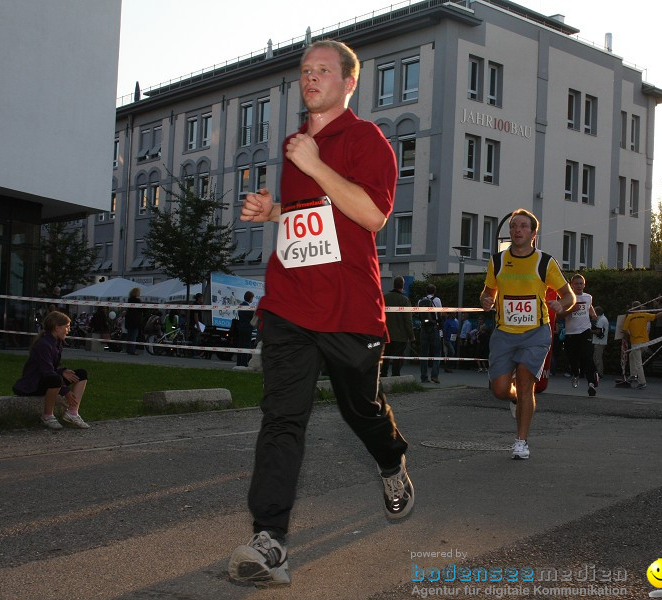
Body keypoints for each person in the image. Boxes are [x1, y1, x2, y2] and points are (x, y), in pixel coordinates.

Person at [227, 40, 412, 587]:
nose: (311, 78)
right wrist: (274, 211)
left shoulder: (366, 139)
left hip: (351, 308)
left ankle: (391, 460)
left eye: (323, 71)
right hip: (289, 301)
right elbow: (314, 215)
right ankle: (269, 540)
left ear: (349, 83)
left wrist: (312, 163)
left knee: (362, 408)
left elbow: (372, 214)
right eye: (305, 71)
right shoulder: (296, 142)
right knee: (282, 417)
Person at [480, 209, 575, 460]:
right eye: (513, 226)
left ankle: (521, 441)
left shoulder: (545, 262)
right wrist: (486, 300)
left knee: (525, 382)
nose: (516, 230)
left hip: (536, 333)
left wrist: (561, 305)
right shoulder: (497, 261)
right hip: (504, 334)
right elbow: (488, 292)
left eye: (523, 226)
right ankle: (514, 400)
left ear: (534, 233)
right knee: (500, 389)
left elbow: (569, 295)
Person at [12, 311, 90, 430]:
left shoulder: (56, 343)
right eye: (67, 327)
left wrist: (62, 370)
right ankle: (47, 415)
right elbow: (47, 371)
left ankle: (72, 413)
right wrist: (66, 392)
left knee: (81, 374)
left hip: (45, 379)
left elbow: (53, 367)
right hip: (33, 384)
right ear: (57, 327)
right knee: (55, 379)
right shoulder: (44, 344)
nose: (68, 330)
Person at [558, 274, 599, 396]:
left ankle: (591, 383)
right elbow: (559, 316)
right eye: (577, 283)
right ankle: (575, 374)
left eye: (581, 283)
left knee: (587, 356)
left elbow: (589, 307)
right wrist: (571, 309)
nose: (579, 286)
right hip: (571, 333)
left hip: (585, 331)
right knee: (573, 359)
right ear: (572, 285)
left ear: (584, 285)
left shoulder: (588, 297)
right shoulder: (568, 298)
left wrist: (593, 314)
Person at [381, 276, 414, 377]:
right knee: (398, 358)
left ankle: (383, 376)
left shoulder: (385, 297)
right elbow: (407, 320)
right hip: (401, 336)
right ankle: (396, 377)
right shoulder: (404, 300)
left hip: (386, 334)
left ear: (393, 285)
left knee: (386, 357)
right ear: (403, 286)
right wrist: (411, 335)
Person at [622, 302, 657, 390]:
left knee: (638, 362)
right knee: (631, 356)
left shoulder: (630, 317)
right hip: (645, 342)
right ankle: (633, 375)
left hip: (636, 342)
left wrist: (628, 337)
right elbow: (657, 316)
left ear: (633, 308)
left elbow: (624, 330)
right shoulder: (645, 315)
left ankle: (642, 382)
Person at [417, 283, 443, 383]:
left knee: (424, 353)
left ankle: (424, 376)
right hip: (434, 328)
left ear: (426, 291)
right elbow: (440, 313)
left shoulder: (420, 300)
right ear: (434, 291)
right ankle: (434, 376)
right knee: (437, 352)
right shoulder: (437, 300)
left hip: (423, 328)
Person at [236, 291, 256, 367]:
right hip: (247, 328)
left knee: (240, 345)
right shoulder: (248, 307)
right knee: (246, 345)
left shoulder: (241, 305)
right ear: (250, 298)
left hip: (240, 327)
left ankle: (239, 362)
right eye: (252, 297)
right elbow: (252, 316)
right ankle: (244, 363)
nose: (252, 299)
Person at [124, 287, 143, 355]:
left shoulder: (129, 300)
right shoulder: (138, 301)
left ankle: (128, 349)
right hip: (135, 321)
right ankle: (132, 350)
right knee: (134, 336)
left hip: (129, 320)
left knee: (129, 336)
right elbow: (141, 309)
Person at [591, 306, 608, 380]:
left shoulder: (601, 320)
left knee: (597, 358)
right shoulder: (602, 319)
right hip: (600, 341)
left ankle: (599, 373)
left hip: (599, 342)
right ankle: (598, 372)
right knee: (596, 357)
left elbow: (598, 331)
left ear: (597, 312)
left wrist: (589, 331)